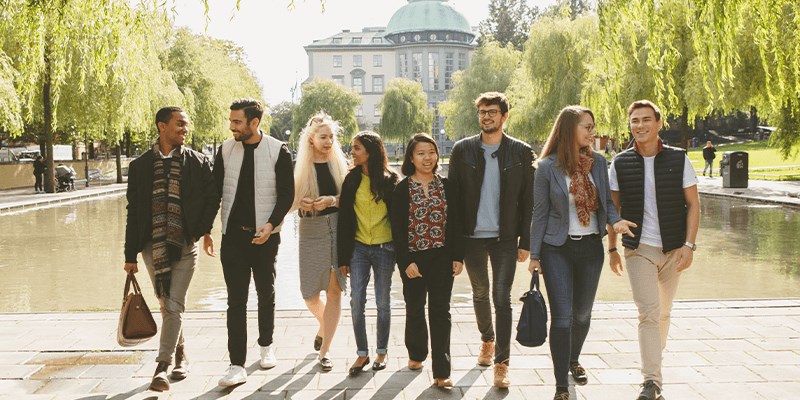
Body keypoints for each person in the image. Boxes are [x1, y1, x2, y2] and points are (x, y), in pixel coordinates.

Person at [528, 106, 635, 400]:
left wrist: (616, 221)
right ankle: (561, 384)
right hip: (556, 249)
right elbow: (539, 214)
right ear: (568, 130)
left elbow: (607, 205)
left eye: (593, 126)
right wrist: (534, 255)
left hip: (590, 248)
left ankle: (573, 359)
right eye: (586, 126)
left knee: (582, 314)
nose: (592, 131)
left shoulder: (599, 164)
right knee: (561, 317)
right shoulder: (547, 168)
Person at [607, 100, 700, 400]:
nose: (640, 126)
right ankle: (652, 381)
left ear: (659, 123)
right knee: (648, 313)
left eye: (646, 120)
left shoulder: (678, 158)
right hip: (638, 249)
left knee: (663, 313)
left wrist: (689, 245)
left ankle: (652, 366)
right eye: (634, 120)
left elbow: (694, 204)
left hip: (674, 249)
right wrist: (612, 248)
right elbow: (613, 209)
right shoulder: (620, 163)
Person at [123, 106, 219, 392]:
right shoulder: (140, 167)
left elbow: (212, 198)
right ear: (161, 126)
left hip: (185, 244)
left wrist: (203, 230)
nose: (184, 130)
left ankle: (162, 367)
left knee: (174, 303)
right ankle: (181, 354)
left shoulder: (198, 162)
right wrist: (130, 255)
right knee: (166, 305)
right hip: (151, 247)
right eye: (179, 124)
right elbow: (133, 211)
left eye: (186, 125)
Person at [448, 91, 535, 388]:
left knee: (502, 297)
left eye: (492, 112)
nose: (487, 116)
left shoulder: (521, 152)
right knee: (480, 292)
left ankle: (502, 362)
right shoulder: (462, 150)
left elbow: (528, 201)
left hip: (505, 238)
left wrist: (526, 241)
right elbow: (455, 200)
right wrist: (455, 247)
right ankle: (487, 339)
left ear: (504, 116)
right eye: (482, 112)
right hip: (471, 237)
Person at [214, 99, 295, 386]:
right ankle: (236, 365)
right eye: (232, 121)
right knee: (235, 301)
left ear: (254, 122)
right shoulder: (224, 149)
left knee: (265, 292)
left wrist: (271, 225)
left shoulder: (278, 151)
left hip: (265, 236)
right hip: (232, 237)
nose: (232, 126)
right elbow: (216, 190)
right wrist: (204, 231)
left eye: (237, 122)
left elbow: (287, 195)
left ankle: (266, 345)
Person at [390, 133, 464, 388]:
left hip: (442, 256)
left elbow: (456, 223)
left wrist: (457, 256)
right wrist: (405, 262)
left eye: (431, 152)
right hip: (413, 258)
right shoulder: (401, 189)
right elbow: (397, 230)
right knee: (415, 307)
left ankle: (442, 371)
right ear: (411, 157)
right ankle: (417, 353)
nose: (427, 158)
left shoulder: (447, 186)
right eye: (421, 153)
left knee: (440, 312)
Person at [337, 130, 398, 376]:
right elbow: (344, 220)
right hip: (358, 248)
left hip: (385, 248)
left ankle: (382, 351)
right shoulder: (351, 179)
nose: (353, 152)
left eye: (357, 148)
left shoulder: (390, 179)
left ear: (371, 151)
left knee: (383, 302)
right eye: (353, 147)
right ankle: (362, 354)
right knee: (356, 302)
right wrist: (343, 258)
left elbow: (399, 219)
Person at [292, 112, 349, 371]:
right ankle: (324, 325)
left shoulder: (340, 164)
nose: (328, 142)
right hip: (310, 231)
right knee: (310, 295)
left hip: (338, 228)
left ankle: (324, 351)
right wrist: (301, 203)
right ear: (311, 139)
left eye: (332, 137)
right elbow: (289, 203)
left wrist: (332, 201)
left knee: (334, 291)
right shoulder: (300, 166)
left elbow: (350, 200)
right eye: (323, 137)